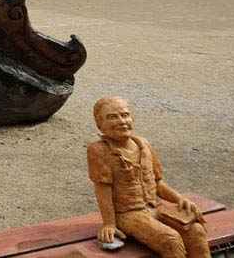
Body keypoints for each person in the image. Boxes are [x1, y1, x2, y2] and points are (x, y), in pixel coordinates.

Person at [87, 97, 209, 258]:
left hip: (156, 206)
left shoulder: (143, 144)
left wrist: (179, 198)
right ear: (99, 124)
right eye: (112, 117)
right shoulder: (98, 150)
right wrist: (109, 223)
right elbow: (103, 190)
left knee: (196, 232)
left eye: (125, 115)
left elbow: (157, 183)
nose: (122, 121)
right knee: (170, 240)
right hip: (129, 214)